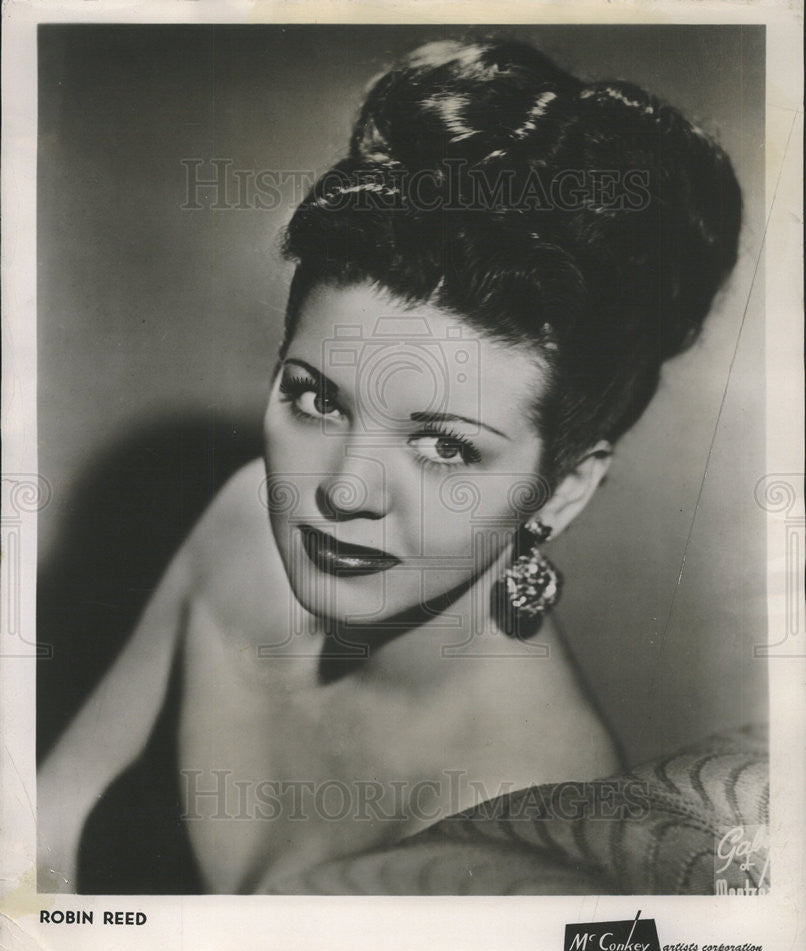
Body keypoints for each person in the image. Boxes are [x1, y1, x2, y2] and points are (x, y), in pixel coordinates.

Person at [38, 37, 751, 895]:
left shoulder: (522, 806)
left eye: (444, 446)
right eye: (317, 399)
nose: (341, 489)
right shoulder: (241, 528)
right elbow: (47, 820)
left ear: (563, 489)